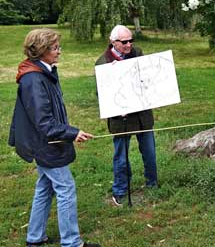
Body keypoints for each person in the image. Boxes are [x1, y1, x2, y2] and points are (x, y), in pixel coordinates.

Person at [9, 28, 100, 247]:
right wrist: (72, 133)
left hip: (50, 142)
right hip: (46, 144)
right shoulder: (33, 79)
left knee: (45, 187)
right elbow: (44, 123)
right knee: (66, 189)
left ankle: (35, 236)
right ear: (42, 50)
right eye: (55, 48)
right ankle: (71, 242)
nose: (59, 51)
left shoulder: (45, 72)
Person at [95, 25, 158, 206]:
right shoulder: (103, 62)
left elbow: (148, 77)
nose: (129, 44)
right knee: (121, 157)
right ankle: (120, 191)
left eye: (131, 40)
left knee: (150, 152)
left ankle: (152, 185)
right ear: (113, 42)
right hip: (121, 119)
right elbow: (102, 93)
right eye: (124, 42)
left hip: (142, 116)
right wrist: (112, 77)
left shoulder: (138, 53)